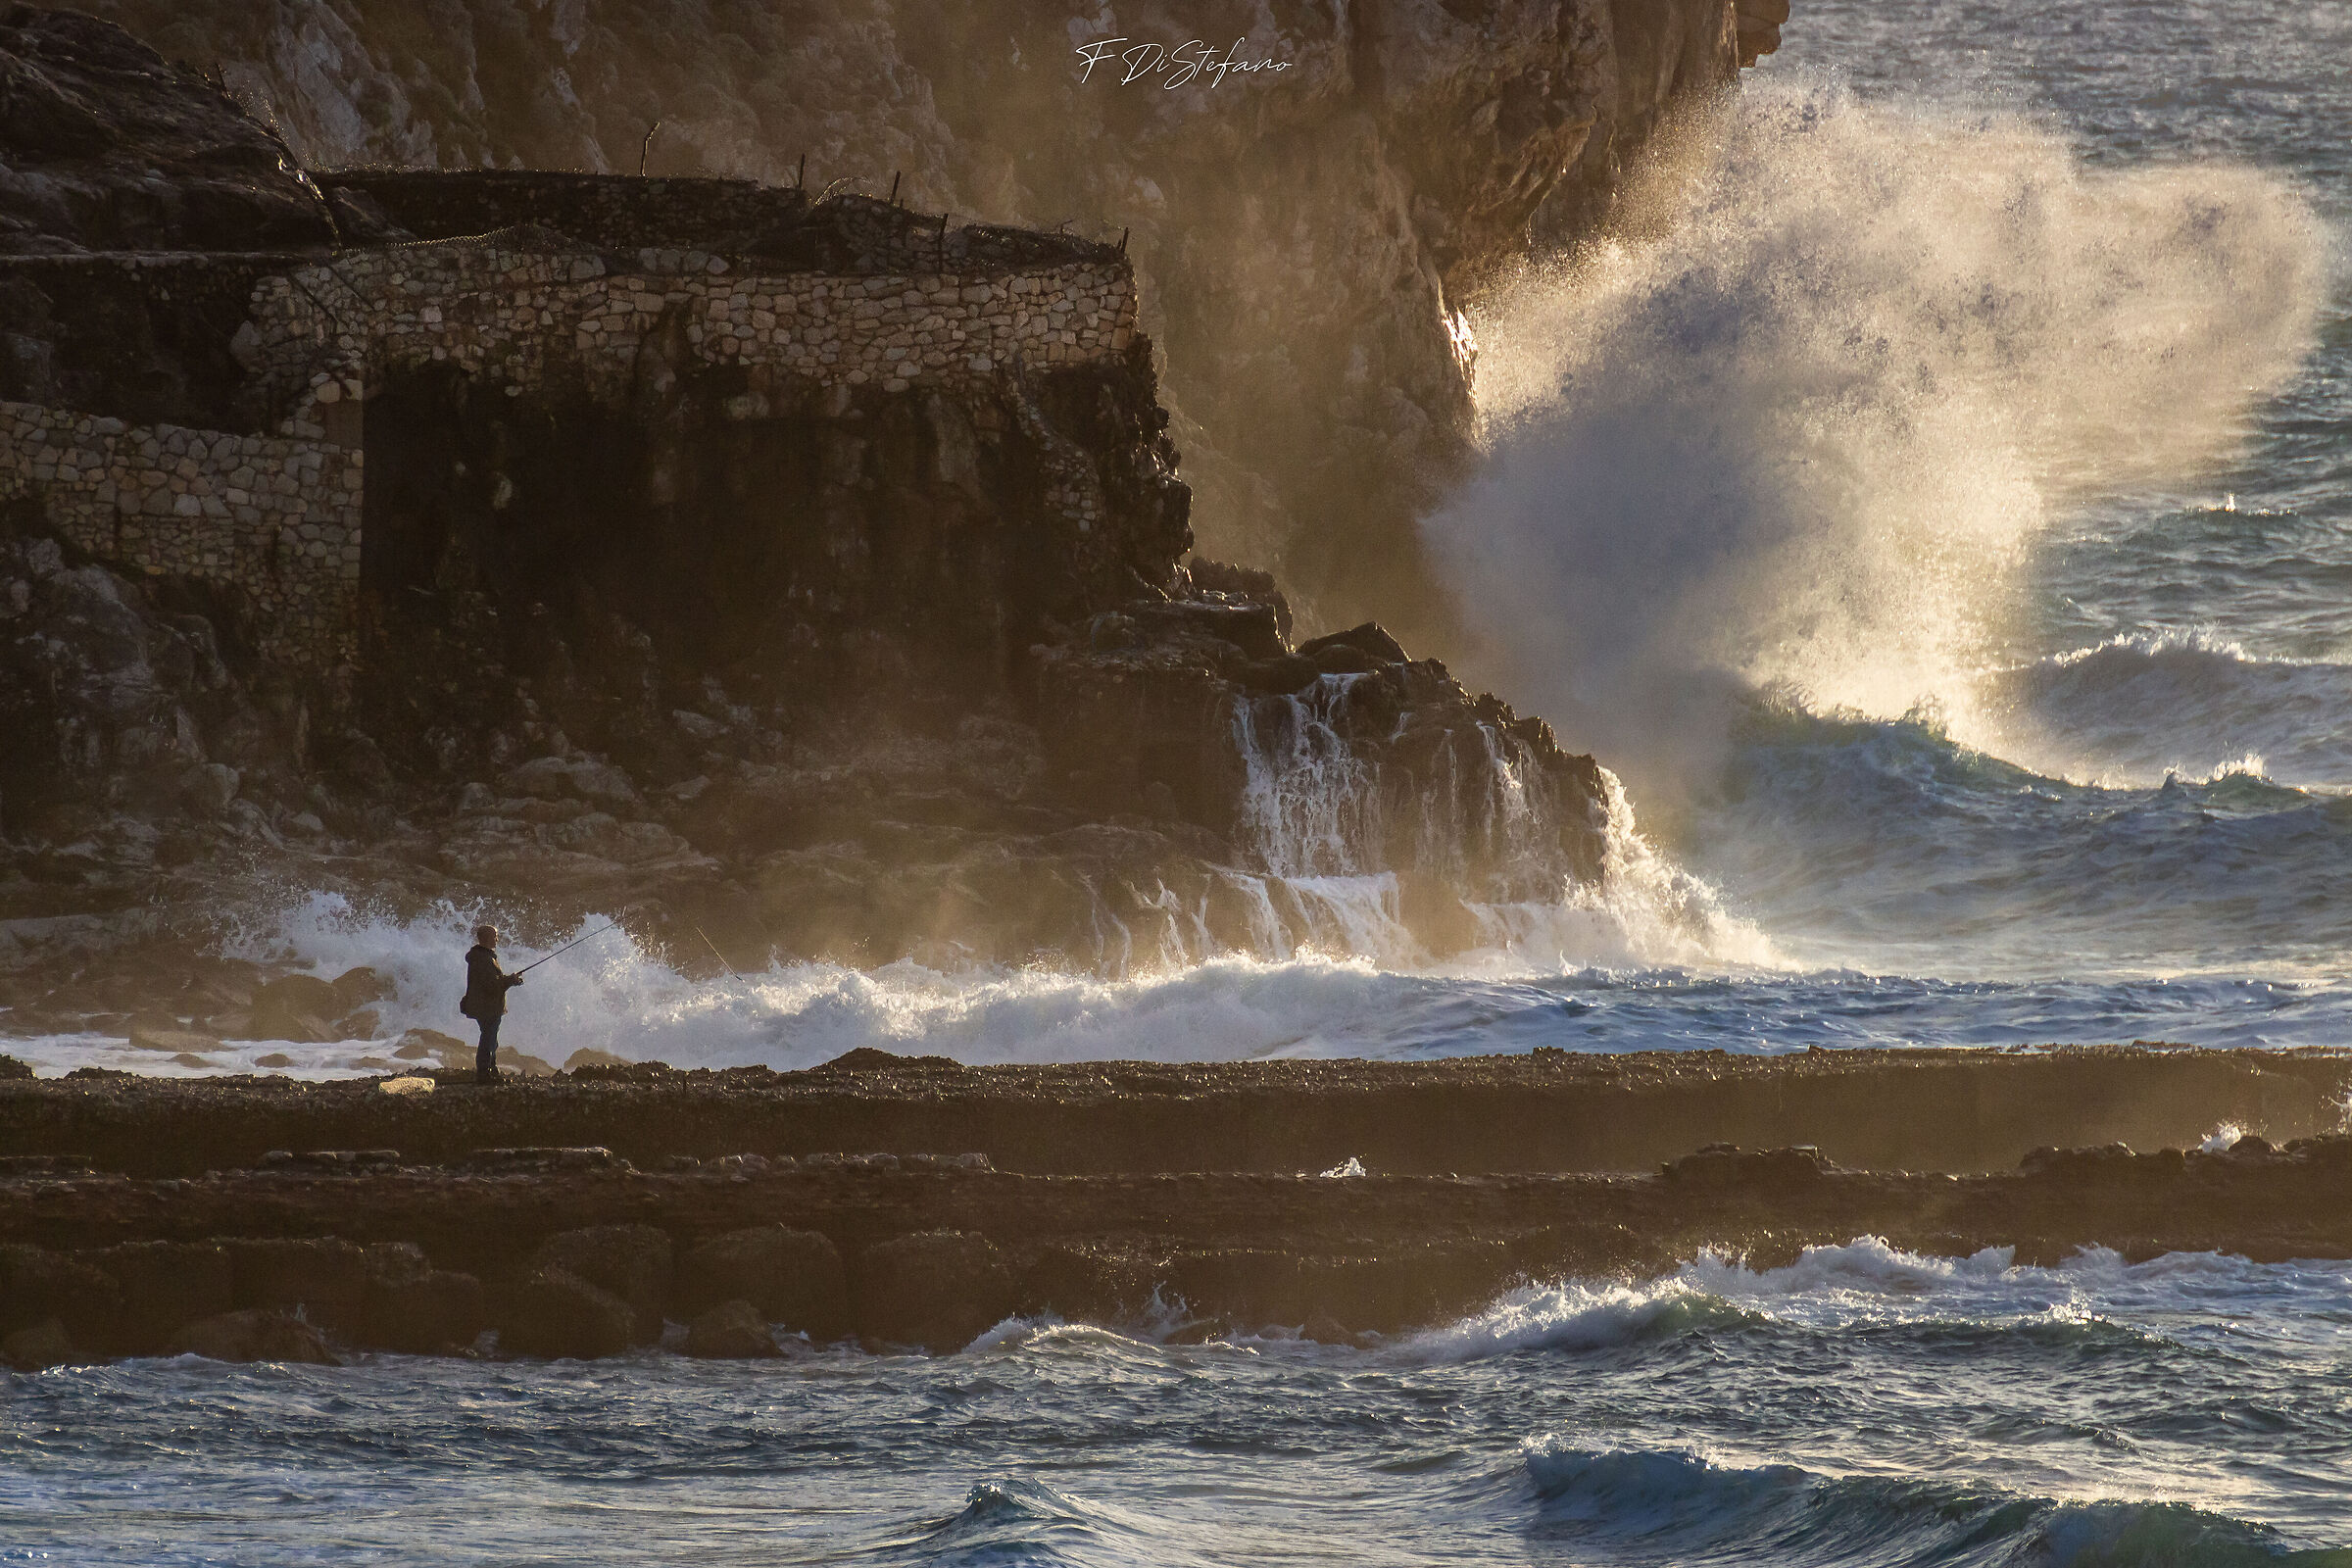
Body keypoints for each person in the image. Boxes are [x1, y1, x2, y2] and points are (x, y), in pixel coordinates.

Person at [461, 923, 524, 1083]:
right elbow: (492, 986)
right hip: (487, 1007)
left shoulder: (481, 957)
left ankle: (491, 1070)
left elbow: (492, 983)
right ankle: (484, 1074)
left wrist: (511, 980)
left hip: (484, 1006)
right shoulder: (484, 959)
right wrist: (511, 980)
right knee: (488, 1039)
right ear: (488, 938)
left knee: (491, 1039)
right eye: (495, 936)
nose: (497, 939)